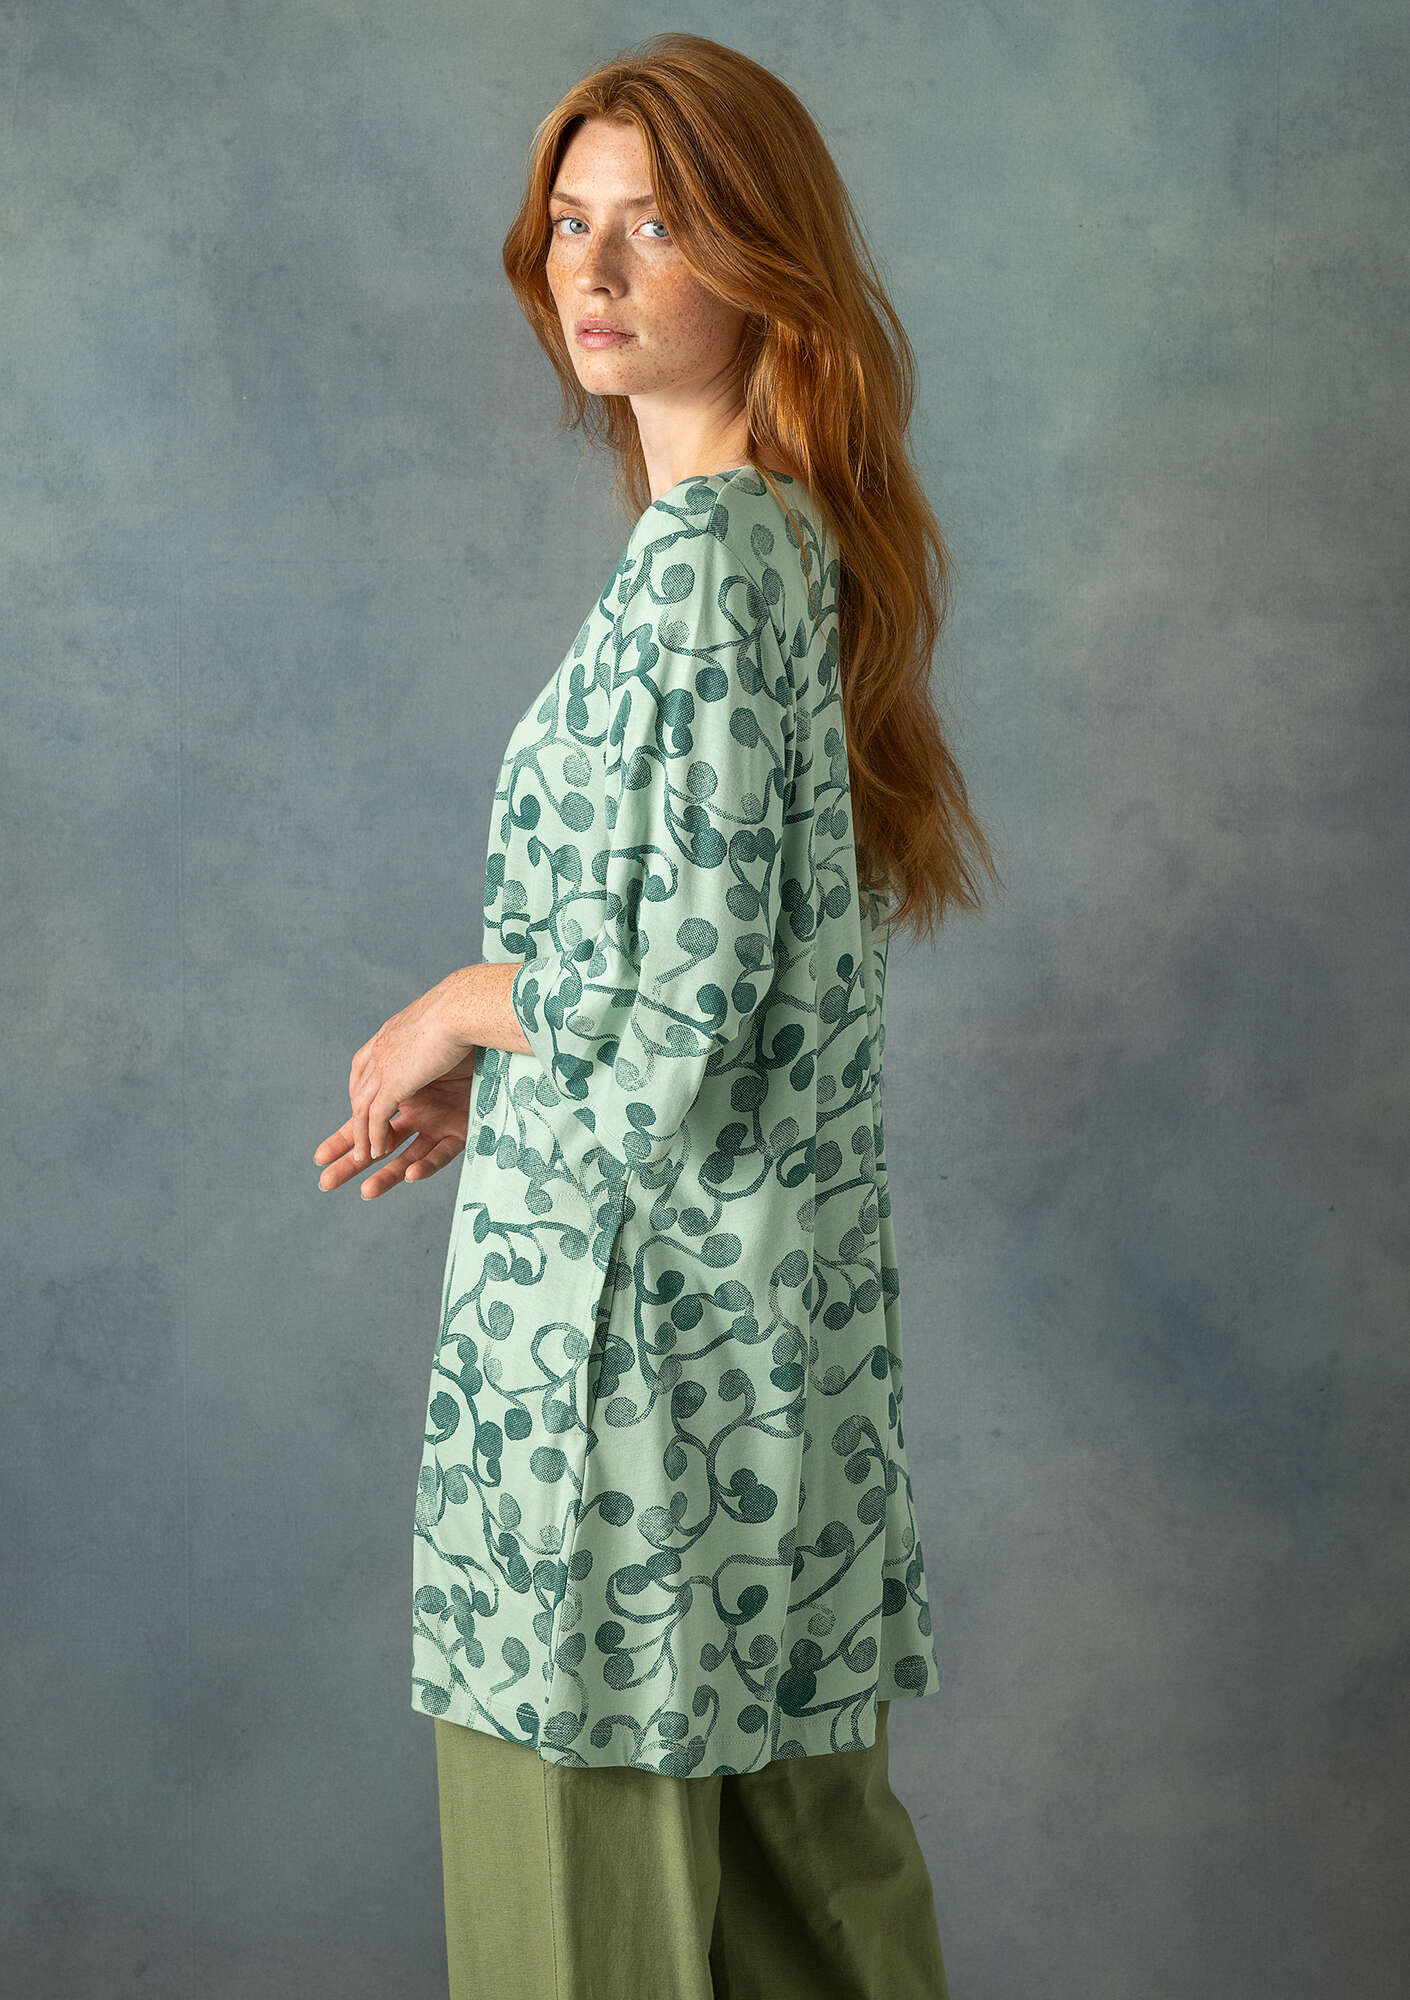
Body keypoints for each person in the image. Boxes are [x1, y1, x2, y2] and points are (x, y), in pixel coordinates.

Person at [314, 31, 1001, 2000]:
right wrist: (521, 1068)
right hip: (764, 1394)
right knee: (816, 1929)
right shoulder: (784, 552)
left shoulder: (708, 569)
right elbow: (721, 988)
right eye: (569, 225)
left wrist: (460, 1008)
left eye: (661, 226)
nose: (594, 271)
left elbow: (668, 1004)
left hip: (616, 1417)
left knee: (582, 1942)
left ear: (767, 266)